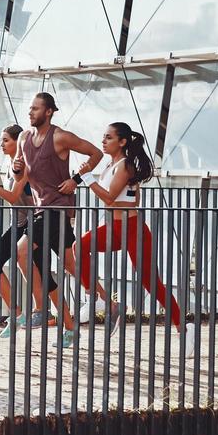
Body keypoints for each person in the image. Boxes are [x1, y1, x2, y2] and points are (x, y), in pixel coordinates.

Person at [10, 92, 105, 343]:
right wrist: (15, 169)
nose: (30, 112)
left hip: (57, 208)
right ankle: (78, 323)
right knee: (68, 264)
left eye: (36, 109)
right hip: (42, 209)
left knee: (22, 252)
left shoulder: (61, 137)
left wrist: (75, 180)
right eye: (29, 108)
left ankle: (41, 309)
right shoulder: (23, 138)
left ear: (49, 111)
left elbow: (96, 154)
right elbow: (21, 175)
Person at [71, 122, 182, 332]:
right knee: (80, 246)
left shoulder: (125, 165)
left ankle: (183, 327)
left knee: (152, 283)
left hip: (132, 229)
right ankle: (99, 299)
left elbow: (110, 197)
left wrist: (86, 178)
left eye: (109, 138)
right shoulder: (111, 165)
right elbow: (131, 199)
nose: (103, 141)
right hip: (114, 226)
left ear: (122, 142)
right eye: (103, 137)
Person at [0, 124, 50, 330]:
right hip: (17, 224)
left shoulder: (25, 166)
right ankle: (18, 313)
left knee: (42, 273)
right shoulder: (10, 166)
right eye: (1, 140)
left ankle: (43, 311)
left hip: (33, 223)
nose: (1, 144)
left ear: (19, 143)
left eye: (6, 140)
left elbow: (13, 196)